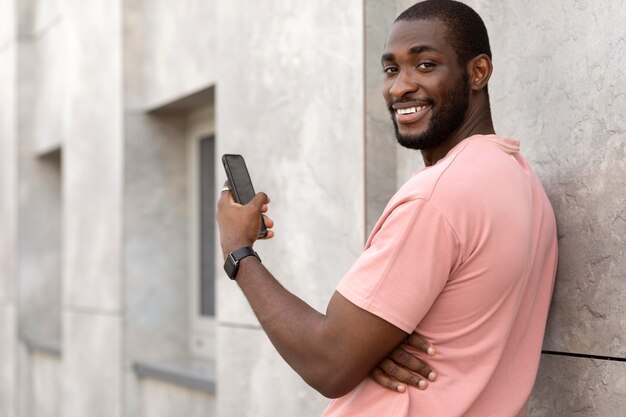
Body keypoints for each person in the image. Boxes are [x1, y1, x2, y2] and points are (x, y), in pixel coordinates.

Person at [216, 1, 558, 416]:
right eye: (392, 69)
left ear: (478, 72)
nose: (399, 88)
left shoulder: (438, 196)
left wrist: (238, 251)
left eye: (426, 65)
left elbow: (329, 362)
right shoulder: (518, 178)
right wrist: (370, 347)